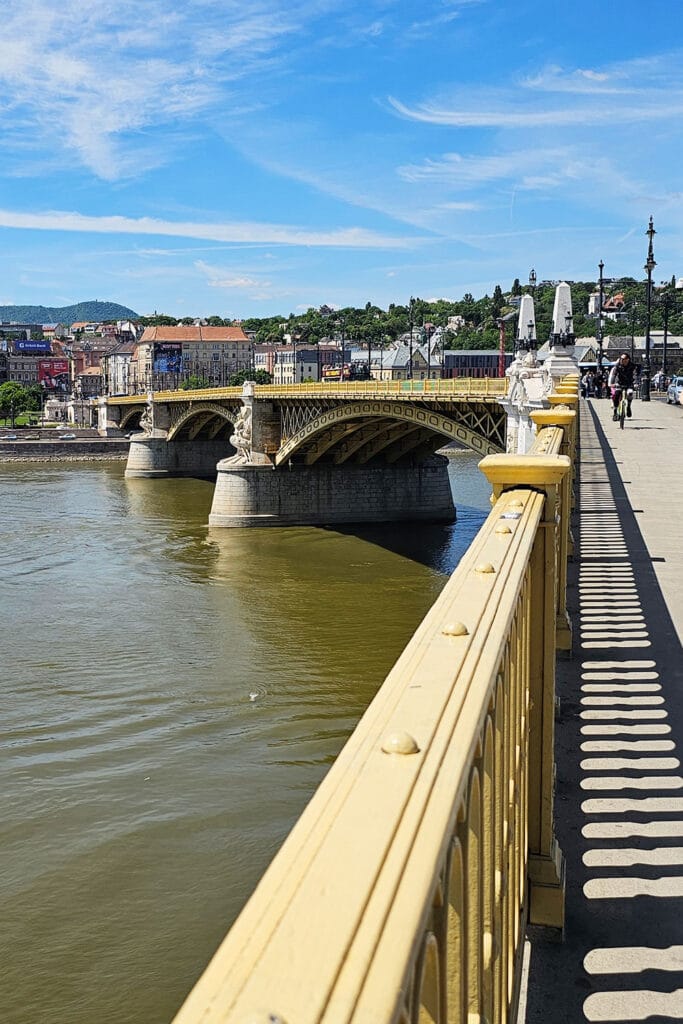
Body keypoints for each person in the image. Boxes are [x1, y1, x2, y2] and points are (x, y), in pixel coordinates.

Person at [608, 353, 635, 420]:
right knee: (616, 396)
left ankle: (628, 406)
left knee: (630, 393)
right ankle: (615, 412)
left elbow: (636, 374)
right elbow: (613, 375)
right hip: (619, 383)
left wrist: (635, 382)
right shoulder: (617, 366)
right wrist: (612, 383)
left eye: (625, 359)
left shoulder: (632, 366)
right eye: (622, 359)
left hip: (629, 383)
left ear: (628, 359)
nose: (623, 360)